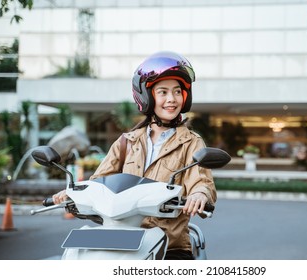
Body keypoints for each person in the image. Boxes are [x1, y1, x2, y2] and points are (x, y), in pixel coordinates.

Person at [52, 51, 217, 260]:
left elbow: (201, 180)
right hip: (121, 236)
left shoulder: (192, 143)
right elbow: (97, 182)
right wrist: (74, 193)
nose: (171, 99)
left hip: (169, 244)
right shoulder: (126, 142)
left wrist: (199, 194)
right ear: (147, 96)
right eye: (163, 92)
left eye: (177, 92)